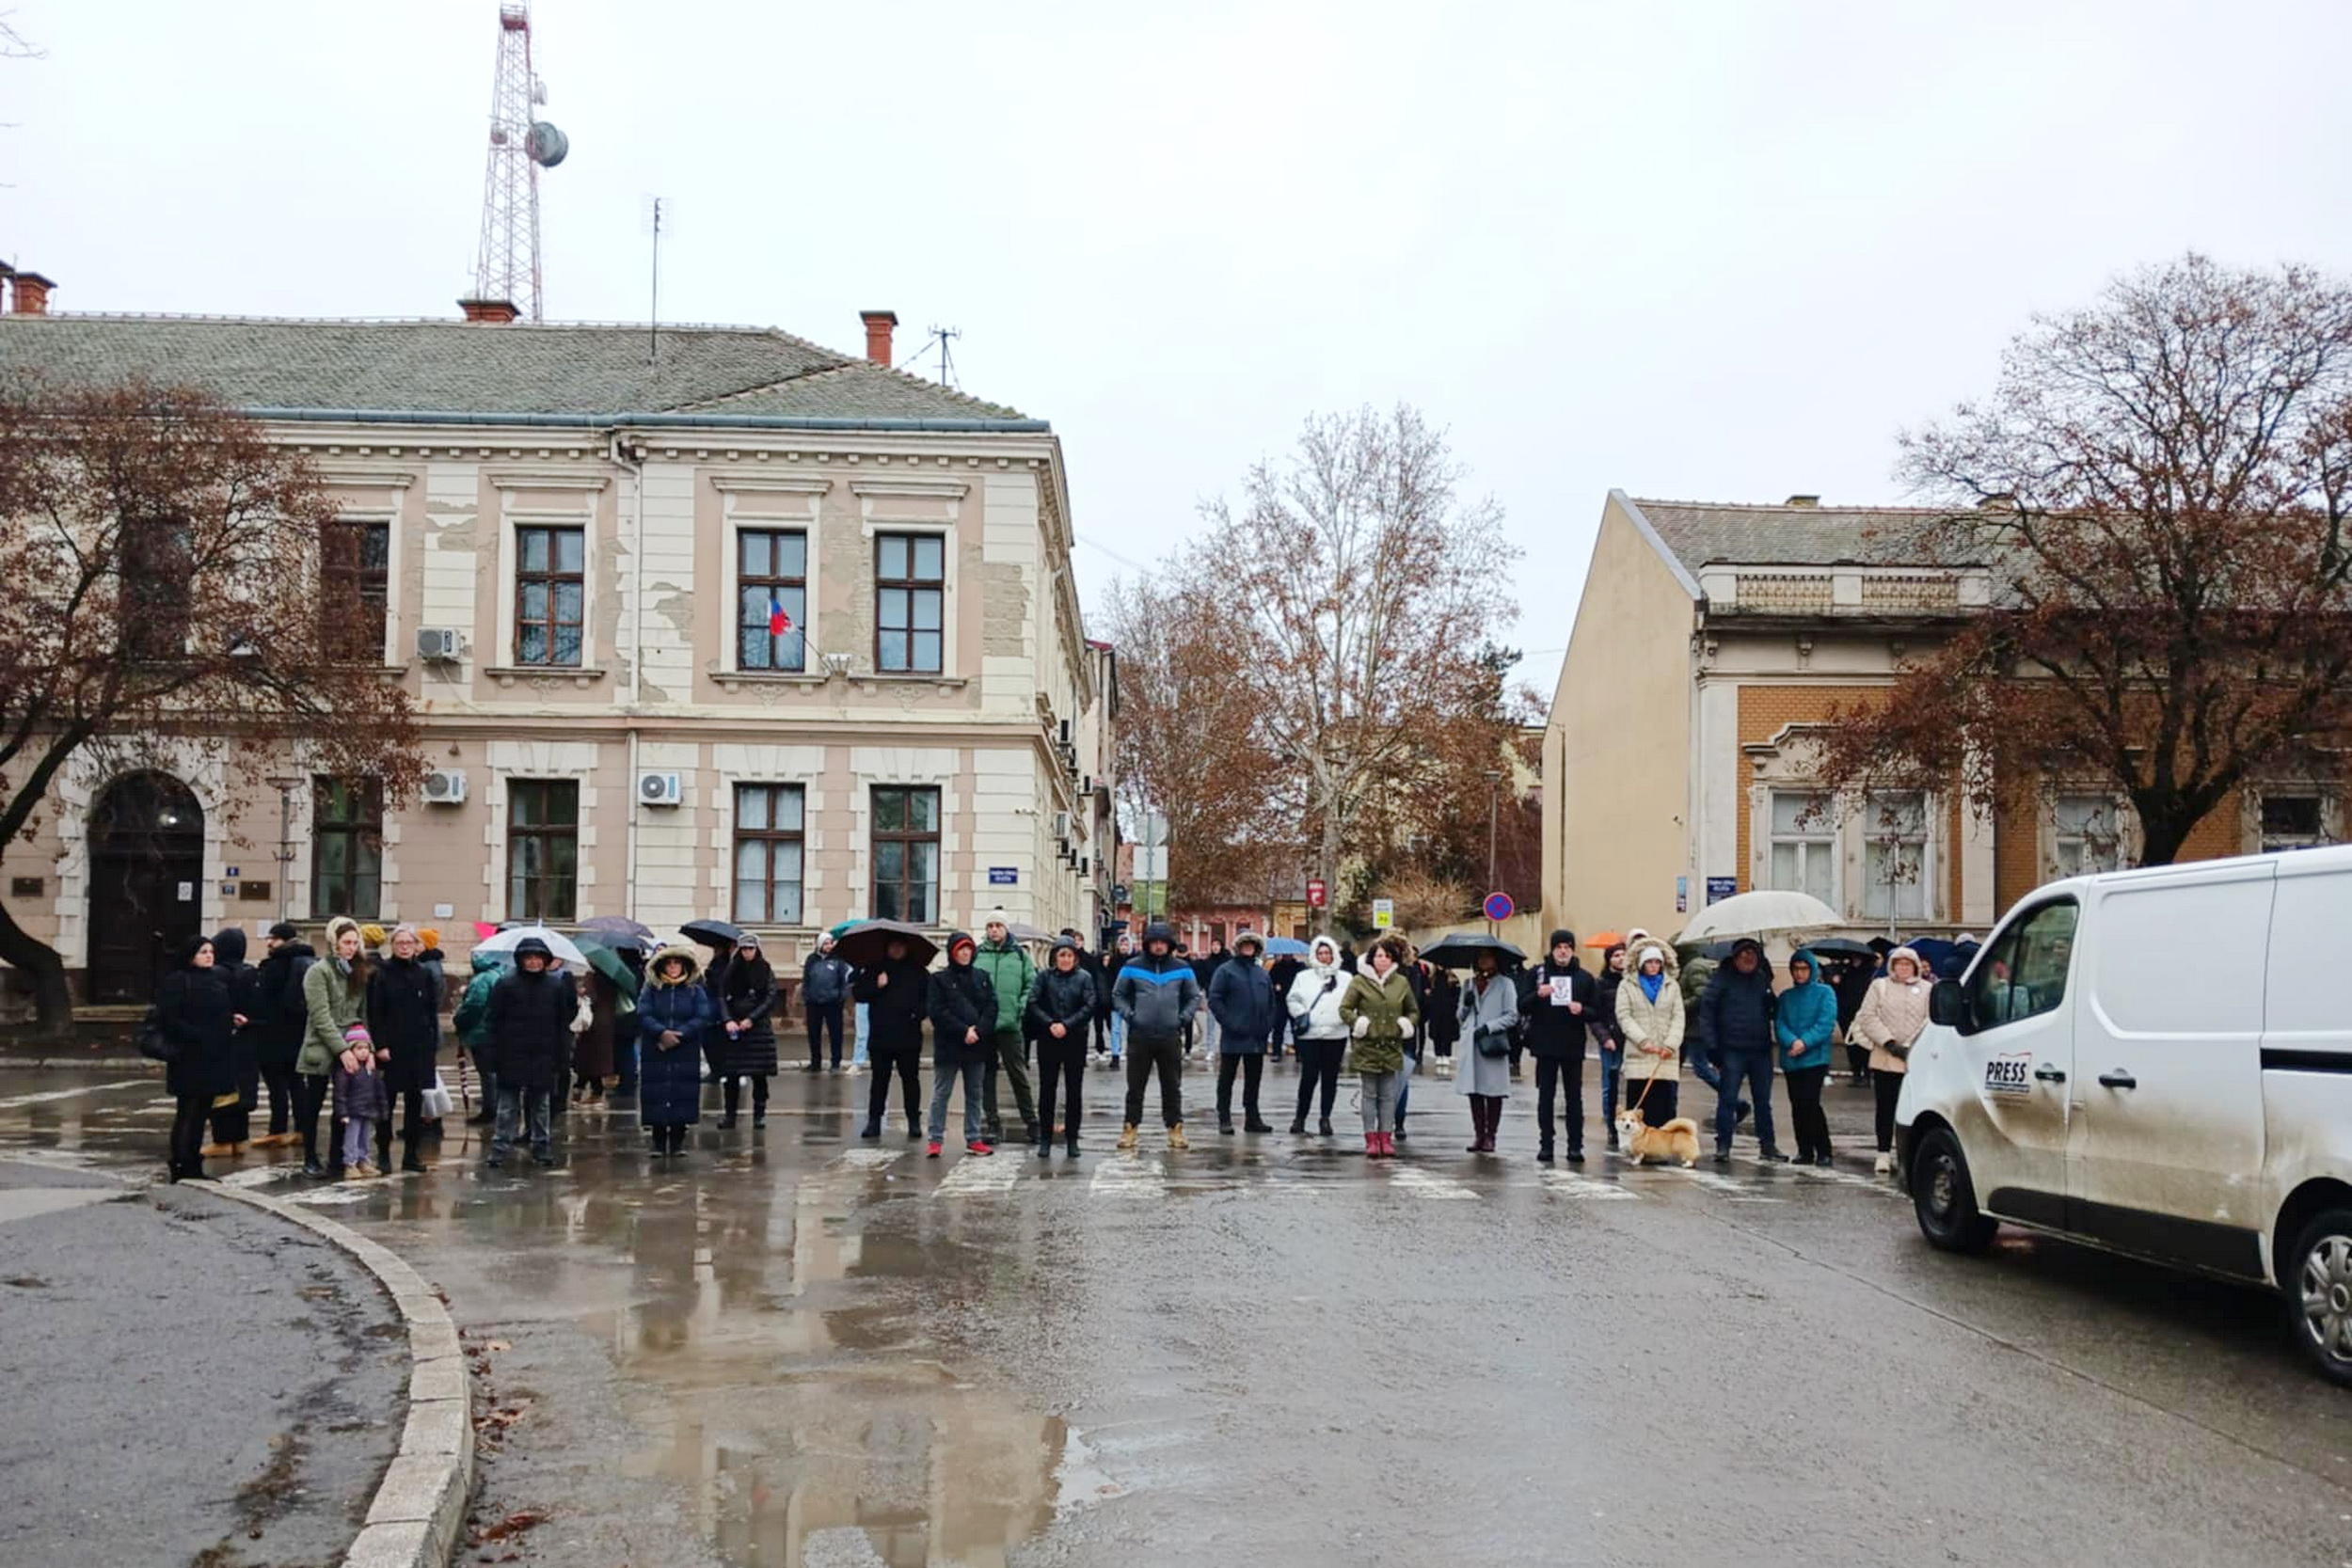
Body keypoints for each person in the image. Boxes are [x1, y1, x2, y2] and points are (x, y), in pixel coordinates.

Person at [485, 935, 572, 1170]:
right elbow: (492, 1021)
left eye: (538, 958)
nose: (533, 962)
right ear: (520, 960)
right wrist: (491, 1056)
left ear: (545, 960)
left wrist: (563, 1058)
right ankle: (500, 1148)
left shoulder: (555, 986)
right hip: (511, 1054)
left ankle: (541, 1147)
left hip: (544, 1054)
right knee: (507, 1107)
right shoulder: (506, 985)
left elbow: (563, 1023)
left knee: (541, 1106)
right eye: (528, 958)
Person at [156, 935, 239, 1181]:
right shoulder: (177, 981)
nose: (209, 956)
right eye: (203, 952)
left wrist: (232, 1021)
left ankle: (194, 1163)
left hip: (213, 1056)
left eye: (211, 952)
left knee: (202, 1112)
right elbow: (169, 1019)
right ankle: (180, 1163)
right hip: (189, 1056)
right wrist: (197, 1035)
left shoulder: (216, 980)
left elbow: (219, 1011)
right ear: (191, 955)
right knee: (187, 1112)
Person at [1701, 938, 1789, 1164]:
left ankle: (1768, 1145)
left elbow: (1772, 1011)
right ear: (1736, 957)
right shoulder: (1721, 980)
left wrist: (1771, 998)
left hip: (1760, 1049)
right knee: (1727, 1099)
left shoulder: (1761, 979)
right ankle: (1723, 1145)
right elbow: (1707, 1014)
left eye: (1753, 954)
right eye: (1744, 955)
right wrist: (1712, 1049)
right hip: (1731, 1050)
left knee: (1763, 1101)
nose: (1749, 959)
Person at [1112, 922, 1200, 1150]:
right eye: (1155, 942)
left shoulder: (1183, 968)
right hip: (1140, 1035)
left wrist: (1183, 1018)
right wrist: (1131, 1016)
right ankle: (1130, 1128)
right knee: (1135, 1086)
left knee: (1172, 1085)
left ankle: (1175, 1129)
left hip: (1170, 1035)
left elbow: (1193, 997)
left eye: (1163, 943)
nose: (1159, 947)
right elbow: (1118, 994)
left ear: (1169, 945)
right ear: (1147, 944)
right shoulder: (1131, 966)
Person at [367, 924, 442, 1174]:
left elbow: (432, 1011)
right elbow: (375, 1012)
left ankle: (411, 1154)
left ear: (416, 946)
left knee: (415, 1103)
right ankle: (384, 1154)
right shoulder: (381, 973)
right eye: (399, 943)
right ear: (393, 946)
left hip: (419, 1046)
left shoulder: (424, 973)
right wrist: (381, 1045)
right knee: (385, 1103)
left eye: (408, 943)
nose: (404, 947)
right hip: (391, 1047)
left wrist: (432, 1044)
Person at [299, 917, 371, 1178]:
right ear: (334, 943)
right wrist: (342, 1049)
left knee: (346, 1104)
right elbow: (320, 1016)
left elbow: (362, 1015)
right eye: (346, 943)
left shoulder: (358, 972)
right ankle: (309, 1156)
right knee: (313, 1104)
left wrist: (365, 1047)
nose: (350, 948)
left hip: (351, 1044)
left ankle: (338, 1157)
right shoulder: (318, 972)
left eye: (354, 942)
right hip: (321, 1045)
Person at [1851, 944, 1931, 1175]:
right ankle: (1883, 1153)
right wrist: (1889, 1043)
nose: (1903, 968)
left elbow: (1930, 1019)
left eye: (1908, 964)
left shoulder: (1927, 989)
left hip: (1915, 1057)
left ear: (1915, 966)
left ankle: (1907, 1154)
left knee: (1914, 1110)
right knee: (1885, 1108)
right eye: (1899, 963)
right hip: (1885, 1056)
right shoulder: (1880, 986)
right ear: (1892, 966)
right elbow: (1868, 1017)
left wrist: (1911, 1045)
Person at [1340, 936, 1419, 1159]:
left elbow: (1413, 1010)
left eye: (1387, 956)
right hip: (1368, 1046)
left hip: (1392, 1046)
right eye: (1378, 956)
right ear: (1372, 958)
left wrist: (1405, 1024)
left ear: (1392, 959)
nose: (1382, 960)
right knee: (1369, 1094)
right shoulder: (1359, 982)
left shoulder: (1401, 982)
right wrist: (1359, 1023)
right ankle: (1370, 1138)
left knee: (1388, 1095)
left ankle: (1386, 1137)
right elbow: (1345, 1008)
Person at [637, 943, 719, 1157]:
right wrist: (661, 1033)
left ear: (684, 966)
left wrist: (680, 1034)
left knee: (682, 1094)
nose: (673, 967)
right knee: (657, 1093)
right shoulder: (652, 989)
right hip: (656, 1048)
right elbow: (643, 1013)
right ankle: (657, 1140)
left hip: (685, 1049)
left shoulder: (694, 990)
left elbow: (702, 1016)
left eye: (677, 963)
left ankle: (677, 1141)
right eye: (669, 963)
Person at [1523, 929, 1597, 1164]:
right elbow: (1521, 1005)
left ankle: (1575, 1145)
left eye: (1567, 947)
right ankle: (1546, 1144)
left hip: (1573, 1045)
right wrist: (1538, 994)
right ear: (1552, 950)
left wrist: (1581, 1009)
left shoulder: (1584, 978)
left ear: (1573, 950)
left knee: (1574, 1097)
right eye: (1558, 947)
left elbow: (1596, 1011)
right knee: (1546, 1097)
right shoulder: (1537, 973)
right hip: (1545, 1045)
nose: (1563, 951)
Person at [926, 931, 998, 1157]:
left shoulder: (982, 977)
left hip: (977, 1044)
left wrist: (977, 1030)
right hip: (950, 1044)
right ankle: (935, 1139)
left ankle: (973, 1137)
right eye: (960, 949)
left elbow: (992, 1007)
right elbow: (937, 1012)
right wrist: (963, 1030)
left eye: (968, 948)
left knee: (975, 1093)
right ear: (952, 952)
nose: (965, 953)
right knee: (942, 1093)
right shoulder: (939, 979)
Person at [1026, 937, 1097, 1158]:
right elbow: (1033, 1002)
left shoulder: (1084, 978)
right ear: (1054, 957)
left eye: (1069, 955)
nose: (1065, 960)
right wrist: (1050, 1023)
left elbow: (1090, 1004)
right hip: (1049, 1038)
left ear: (1075, 958)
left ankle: (1072, 1139)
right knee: (1047, 1089)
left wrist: (1068, 1025)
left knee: (1073, 1091)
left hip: (1074, 1039)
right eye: (1061, 955)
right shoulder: (1044, 977)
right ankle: (1045, 1138)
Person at [854, 937, 930, 1139]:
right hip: (881, 1035)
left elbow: (929, 999)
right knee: (879, 1080)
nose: (896, 949)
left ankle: (913, 1120)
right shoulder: (874, 969)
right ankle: (874, 1121)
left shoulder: (918, 971)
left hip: (909, 1035)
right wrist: (877, 986)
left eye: (900, 946)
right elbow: (859, 994)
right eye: (892, 945)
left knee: (910, 1080)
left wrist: (918, 1013)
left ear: (906, 948)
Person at [247, 922, 314, 1148]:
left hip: (273, 1032)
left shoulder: (276, 965)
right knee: (297, 1082)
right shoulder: (306, 961)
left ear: (284, 941)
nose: (268, 942)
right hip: (297, 1032)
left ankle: (277, 1130)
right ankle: (303, 1130)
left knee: (276, 1085)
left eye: (273, 939)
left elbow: (263, 1000)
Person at [974, 911, 1038, 1145]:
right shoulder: (978, 954)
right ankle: (992, 1123)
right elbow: (971, 985)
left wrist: (1020, 1010)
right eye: (990, 925)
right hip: (986, 1026)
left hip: (1011, 1025)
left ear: (1005, 929)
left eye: (998, 925)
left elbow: (1031, 984)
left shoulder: (1019, 955)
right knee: (986, 1076)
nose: (993, 930)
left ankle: (1031, 1122)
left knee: (1017, 1074)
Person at [1206, 931, 1278, 1134]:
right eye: (1245, 945)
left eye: (1252, 945)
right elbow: (1215, 1000)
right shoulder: (1225, 971)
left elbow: (1272, 1001)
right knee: (1227, 1078)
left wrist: (1268, 1024)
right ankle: (1224, 1117)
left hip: (1257, 1035)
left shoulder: (1261, 973)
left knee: (1254, 1079)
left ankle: (1252, 1117)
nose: (1248, 948)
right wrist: (1230, 1023)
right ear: (1238, 948)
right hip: (1233, 1034)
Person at [197, 927, 258, 1159]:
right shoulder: (251, 973)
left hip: (223, 1039)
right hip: (248, 1038)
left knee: (221, 1090)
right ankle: (240, 1140)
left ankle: (222, 1140)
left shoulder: (216, 974)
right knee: (242, 1091)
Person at [1777, 948, 1839, 1167]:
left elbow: (1825, 1023)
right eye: (1796, 969)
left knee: (1811, 1103)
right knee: (1797, 1105)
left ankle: (1823, 1149)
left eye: (1804, 969)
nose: (1800, 973)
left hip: (1815, 1058)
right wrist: (1791, 1041)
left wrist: (1804, 1042)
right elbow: (1780, 1023)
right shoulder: (1786, 997)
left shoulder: (1825, 993)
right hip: (1792, 1058)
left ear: (1811, 970)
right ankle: (1804, 1150)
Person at [1454, 948, 1518, 1153]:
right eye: (1480, 957)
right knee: (1474, 1091)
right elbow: (1460, 1016)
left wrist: (1489, 1027)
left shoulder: (1505, 984)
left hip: (1492, 1043)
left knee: (1493, 1090)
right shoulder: (1469, 984)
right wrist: (1466, 1005)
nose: (1483, 960)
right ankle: (1479, 1135)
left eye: (1487, 956)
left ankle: (1491, 1136)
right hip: (1471, 1042)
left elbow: (1512, 1015)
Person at [1286, 936, 1350, 1137]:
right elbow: (1293, 999)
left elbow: (1353, 1002)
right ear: (1315, 955)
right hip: (1310, 1035)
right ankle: (1300, 1117)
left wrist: (1344, 1017)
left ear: (1333, 954)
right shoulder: (1303, 977)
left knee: (1330, 1079)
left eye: (1327, 953)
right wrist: (1301, 1014)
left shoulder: (1346, 978)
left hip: (1335, 1034)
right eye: (1320, 953)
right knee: (1309, 1077)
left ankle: (1325, 1118)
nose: (1324, 957)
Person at [1616, 943, 1685, 1129]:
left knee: (1664, 1105)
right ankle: (1640, 1149)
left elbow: (1678, 1016)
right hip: (1639, 1054)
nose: (1654, 966)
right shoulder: (1627, 986)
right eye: (1649, 962)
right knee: (1640, 1104)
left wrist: (1670, 1044)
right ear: (1641, 964)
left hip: (1665, 1055)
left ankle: (1661, 1149)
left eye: (1657, 962)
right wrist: (1642, 1040)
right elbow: (1624, 1015)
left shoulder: (1672, 986)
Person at [717, 936, 779, 1130]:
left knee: (759, 1075)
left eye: (751, 949)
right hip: (735, 1025)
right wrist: (728, 1020)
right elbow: (721, 996)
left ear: (756, 949)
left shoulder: (765, 969)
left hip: (758, 1028)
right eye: (744, 949)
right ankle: (730, 1115)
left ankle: (759, 1114)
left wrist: (752, 1018)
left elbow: (770, 997)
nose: (747, 952)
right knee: (732, 1075)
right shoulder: (732, 969)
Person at [453, 949, 503, 1126]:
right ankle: (497, 1107)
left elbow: (474, 1006)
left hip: (482, 1032)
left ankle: (490, 1110)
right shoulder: (500, 974)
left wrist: (459, 1020)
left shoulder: (482, 979)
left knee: (487, 1073)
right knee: (495, 1073)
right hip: (497, 1032)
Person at [332, 1023, 389, 1179]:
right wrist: (342, 1112)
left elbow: (380, 1091)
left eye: (366, 1048)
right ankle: (350, 1163)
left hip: (368, 1109)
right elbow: (340, 1093)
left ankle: (363, 1160)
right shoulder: (347, 1070)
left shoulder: (371, 1069)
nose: (363, 1052)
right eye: (359, 1048)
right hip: (353, 1110)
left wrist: (382, 1110)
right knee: (352, 1138)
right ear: (351, 1050)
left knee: (365, 1137)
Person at [1592, 942, 1629, 1149]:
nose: (1620, 958)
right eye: (1615, 955)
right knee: (1609, 1085)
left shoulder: (1633, 982)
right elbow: (1595, 1015)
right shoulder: (1601, 984)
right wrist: (1604, 1037)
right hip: (1610, 1039)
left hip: (1631, 1039)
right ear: (1609, 960)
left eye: (1623, 955)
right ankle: (1612, 1125)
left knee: (1630, 1084)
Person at [802, 932, 853, 1072]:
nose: (829, 946)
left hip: (833, 1003)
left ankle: (835, 1063)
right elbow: (806, 979)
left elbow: (845, 982)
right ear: (819, 944)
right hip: (814, 1003)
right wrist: (807, 996)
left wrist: (841, 996)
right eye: (825, 943)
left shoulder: (838, 960)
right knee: (813, 1034)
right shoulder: (811, 959)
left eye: (830, 943)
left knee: (835, 1034)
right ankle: (815, 1063)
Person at [574, 969, 619, 1104]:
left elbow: (591, 997)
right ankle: (582, 1088)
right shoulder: (612, 976)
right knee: (594, 1059)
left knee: (590, 1059)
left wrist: (582, 992)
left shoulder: (593, 976)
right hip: (606, 1022)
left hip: (592, 1023)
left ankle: (592, 1091)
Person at [1266, 945, 1305, 1060]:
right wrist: (1275, 987)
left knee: (1297, 1028)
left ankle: (1300, 1053)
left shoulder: (1299, 967)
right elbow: (1270, 982)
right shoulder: (1277, 967)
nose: (1287, 956)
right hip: (1280, 1001)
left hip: (1296, 1001)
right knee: (1278, 1028)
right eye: (1285, 954)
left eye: (1289, 954)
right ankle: (1276, 1052)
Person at [1101, 933, 1133, 1066]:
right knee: (1115, 1029)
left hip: (1131, 1000)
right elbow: (1109, 980)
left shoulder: (1135, 961)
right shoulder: (1113, 961)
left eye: (1126, 944)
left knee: (1131, 1028)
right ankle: (1115, 1055)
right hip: (1116, 999)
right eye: (1121, 944)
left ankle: (1131, 1053)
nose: (1123, 947)